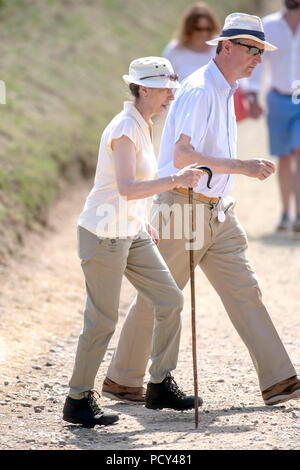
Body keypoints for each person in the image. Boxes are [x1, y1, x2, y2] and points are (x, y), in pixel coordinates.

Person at [102, 13, 300, 408]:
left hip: (217, 212)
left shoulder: (225, 89)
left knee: (246, 291)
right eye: (252, 49)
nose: (258, 58)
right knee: (160, 296)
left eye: (261, 51)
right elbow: (183, 155)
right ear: (226, 47)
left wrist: (233, 173)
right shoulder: (199, 89)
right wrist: (243, 166)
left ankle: (280, 380)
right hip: (183, 208)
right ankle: (122, 380)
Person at [62, 57, 205, 428]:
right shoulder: (125, 127)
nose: (171, 97)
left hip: (131, 231)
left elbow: (133, 190)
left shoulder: (144, 123)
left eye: (172, 89)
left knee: (170, 299)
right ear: (143, 89)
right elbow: (126, 187)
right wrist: (176, 179)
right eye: (164, 90)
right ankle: (77, 398)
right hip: (102, 234)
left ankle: (158, 385)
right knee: (102, 321)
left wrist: (144, 222)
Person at [247, 0, 300, 233]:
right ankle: (286, 213)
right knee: (284, 158)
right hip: (277, 98)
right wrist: (253, 95)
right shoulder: (269, 25)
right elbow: (258, 62)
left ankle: (299, 214)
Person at [163, 2, 249, 122]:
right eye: (198, 29)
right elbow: (166, 83)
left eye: (208, 29)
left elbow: (236, 70)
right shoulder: (174, 50)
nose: (203, 33)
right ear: (189, 29)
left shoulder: (219, 46)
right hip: (183, 113)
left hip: (216, 113)